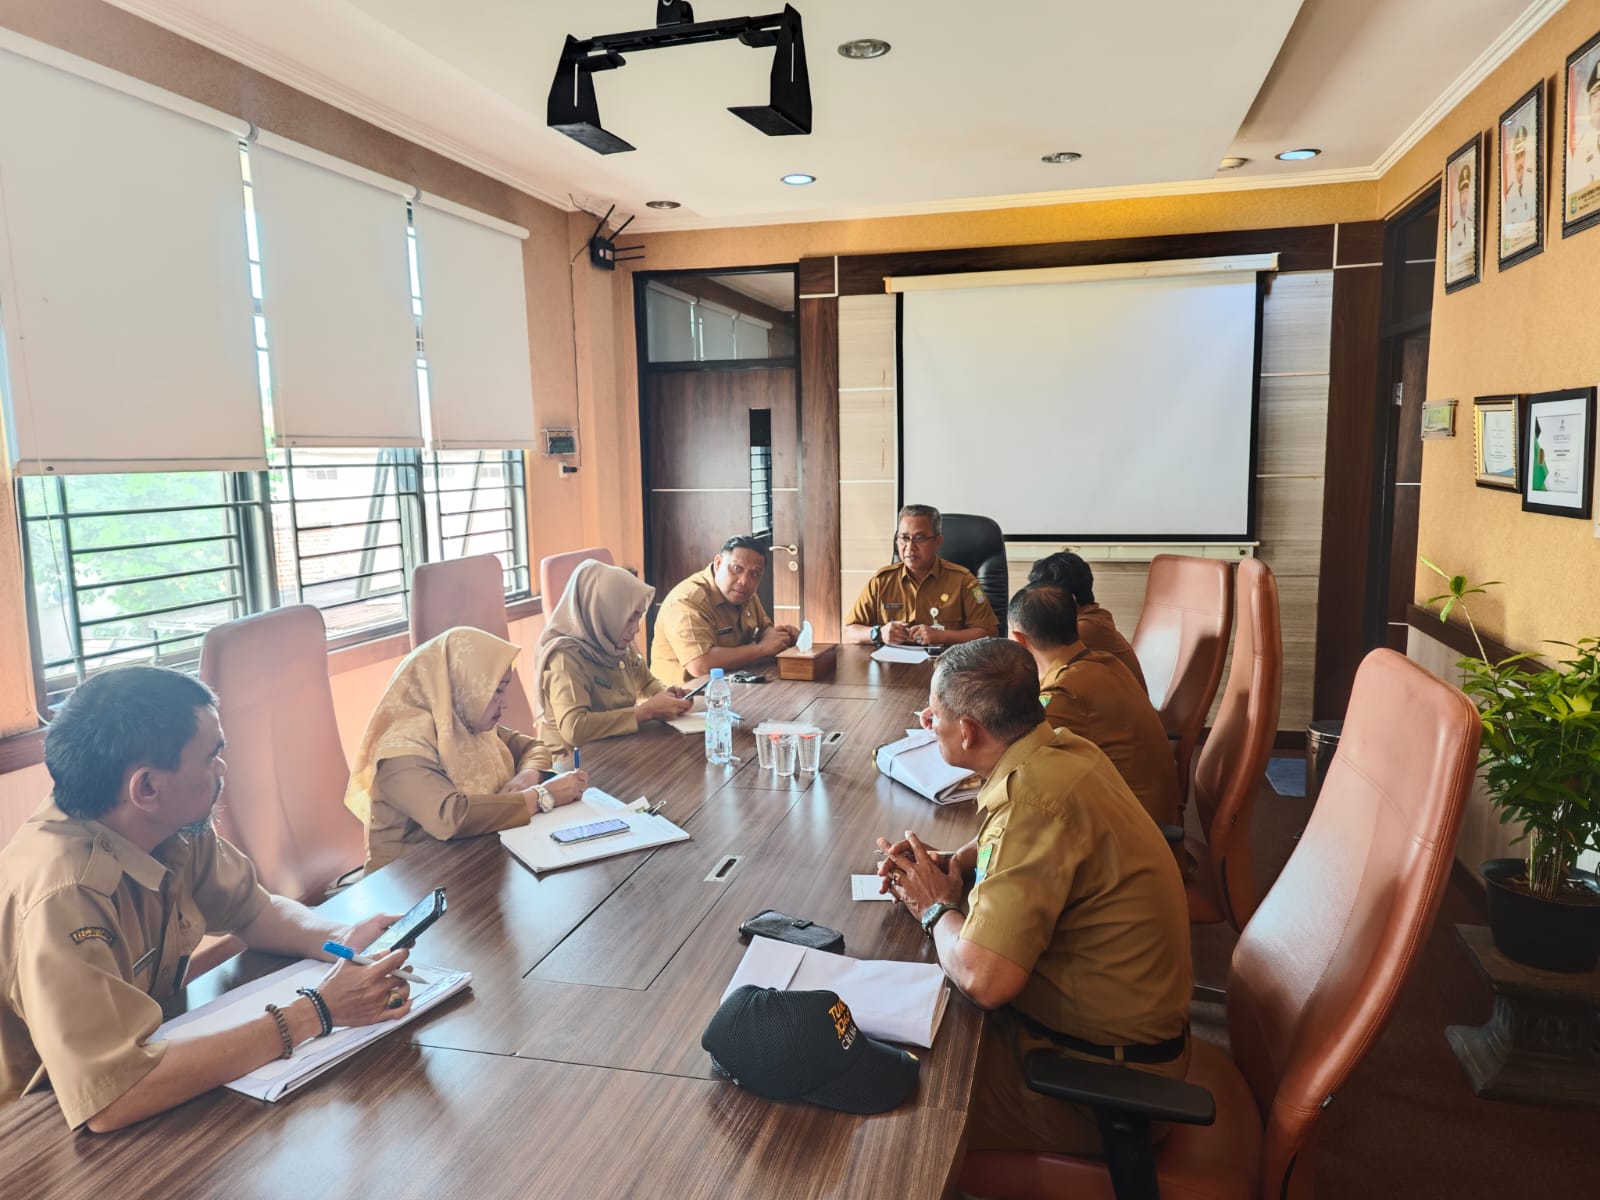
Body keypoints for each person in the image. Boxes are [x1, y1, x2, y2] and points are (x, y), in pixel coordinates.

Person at [0, 667, 413, 1132]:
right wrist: (317, 1011)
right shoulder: (63, 895)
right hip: (38, 1130)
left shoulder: (166, 827)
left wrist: (342, 940)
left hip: (140, 1071)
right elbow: (112, 1096)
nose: (222, 770)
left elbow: (253, 910)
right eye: (211, 756)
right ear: (147, 787)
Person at [875, 640, 1191, 1156]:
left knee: (894, 1093)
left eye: (934, 714)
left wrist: (937, 907)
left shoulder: (1033, 802)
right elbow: (1024, 836)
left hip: (1098, 1086)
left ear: (969, 731)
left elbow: (984, 979)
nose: (927, 721)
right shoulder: (1063, 747)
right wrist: (958, 862)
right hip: (1115, 1041)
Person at [344, 627, 588, 871]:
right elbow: (451, 816)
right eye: (497, 691)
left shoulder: (466, 724)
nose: (505, 704)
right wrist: (543, 796)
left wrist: (527, 777)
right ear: (464, 684)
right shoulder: (401, 748)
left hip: (468, 863)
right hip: (410, 886)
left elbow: (533, 747)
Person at [1008, 582, 1180, 828]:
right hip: (1147, 819)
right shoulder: (1103, 662)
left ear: (1019, 640)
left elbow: (1015, 761)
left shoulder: (1065, 695)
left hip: (1131, 837)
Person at [535, 558, 692, 754]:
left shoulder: (614, 643)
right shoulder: (564, 657)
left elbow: (645, 683)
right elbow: (575, 728)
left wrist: (667, 696)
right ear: (604, 614)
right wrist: (645, 711)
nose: (636, 629)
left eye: (639, 617)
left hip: (616, 749)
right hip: (573, 765)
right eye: (629, 619)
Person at [650, 535, 799, 684]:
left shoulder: (744, 594)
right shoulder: (687, 600)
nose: (744, 581)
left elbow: (765, 630)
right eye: (736, 569)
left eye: (754, 574)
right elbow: (700, 664)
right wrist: (761, 649)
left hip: (731, 686)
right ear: (718, 563)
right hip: (683, 697)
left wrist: (782, 636)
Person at [843, 505, 998, 648]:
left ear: (938, 541)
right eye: (904, 538)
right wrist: (878, 633)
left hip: (945, 669)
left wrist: (942, 636)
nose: (910, 547)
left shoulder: (964, 580)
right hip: (893, 669)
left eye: (920, 538)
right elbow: (848, 633)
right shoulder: (881, 581)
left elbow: (990, 633)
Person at [1028, 551, 1146, 690]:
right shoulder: (1092, 619)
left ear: (1067, 599)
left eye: (1040, 598)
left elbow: (1040, 677)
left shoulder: (1084, 630)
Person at [1501, 124, 1537, 253]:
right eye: (1517, 156)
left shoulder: (1535, 187)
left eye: (1522, 154)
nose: (1519, 162)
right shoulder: (1509, 197)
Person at [1446, 160, 1476, 280]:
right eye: (1462, 192)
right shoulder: (1452, 228)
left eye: (1467, 192)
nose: (1464, 197)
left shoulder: (1474, 222)